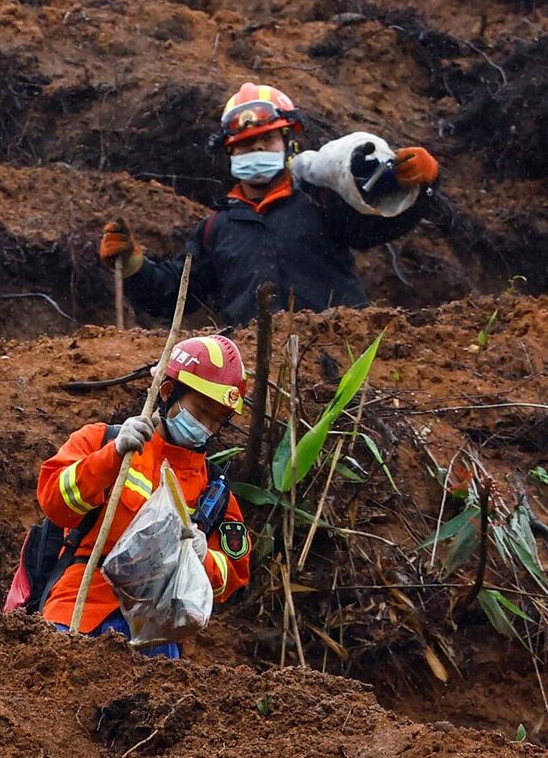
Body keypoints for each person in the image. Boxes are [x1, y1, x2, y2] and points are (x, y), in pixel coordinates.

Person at [101, 83, 441, 326]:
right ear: (230, 152)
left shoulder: (318, 200)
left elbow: (376, 224)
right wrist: (133, 266)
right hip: (258, 375)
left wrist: (422, 185)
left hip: (338, 355)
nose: (257, 149)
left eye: (268, 139)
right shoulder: (217, 229)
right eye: (246, 144)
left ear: (287, 141)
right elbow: (176, 295)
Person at [35, 334, 252, 658]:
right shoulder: (100, 440)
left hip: (155, 637)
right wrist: (111, 457)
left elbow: (232, 577)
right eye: (202, 410)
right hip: (79, 611)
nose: (206, 426)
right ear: (167, 392)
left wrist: (201, 557)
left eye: (217, 419)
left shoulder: (214, 491)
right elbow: (55, 503)